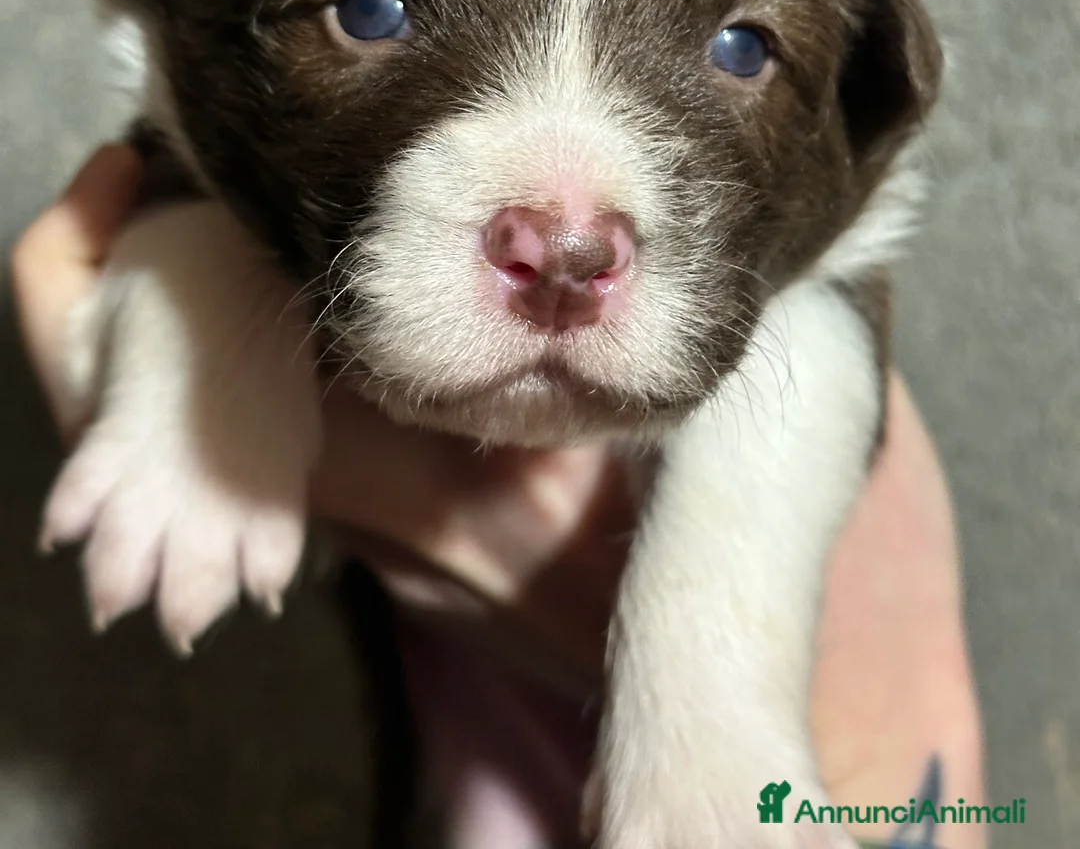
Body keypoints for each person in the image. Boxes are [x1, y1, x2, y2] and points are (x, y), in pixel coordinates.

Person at [12, 144, 986, 848]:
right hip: (467, 762)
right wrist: (196, 395)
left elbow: (814, 338)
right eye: (378, 12)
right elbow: (191, 210)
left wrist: (737, 721)